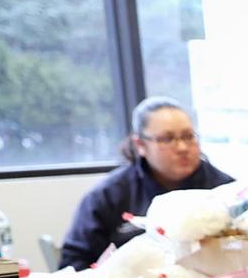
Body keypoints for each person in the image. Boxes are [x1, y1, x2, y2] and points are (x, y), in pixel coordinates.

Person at [57, 97, 235, 268]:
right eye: (167, 139)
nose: (182, 147)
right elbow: (74, 264)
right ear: (140, 145)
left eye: (188, 136)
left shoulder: (224, 190)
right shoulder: (108, 196)